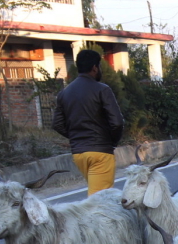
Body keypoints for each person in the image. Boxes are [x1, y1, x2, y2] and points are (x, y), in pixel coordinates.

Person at [50, 49, 124, 194]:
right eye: (100, 66)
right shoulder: (102, 90)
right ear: (95, 68)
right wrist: (111, 142)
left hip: (79, 154)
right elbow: (117, 122)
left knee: (96, 195)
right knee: (100, 201)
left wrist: (77, 136)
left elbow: (57, 124)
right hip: (100, 152)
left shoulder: (64, 93)